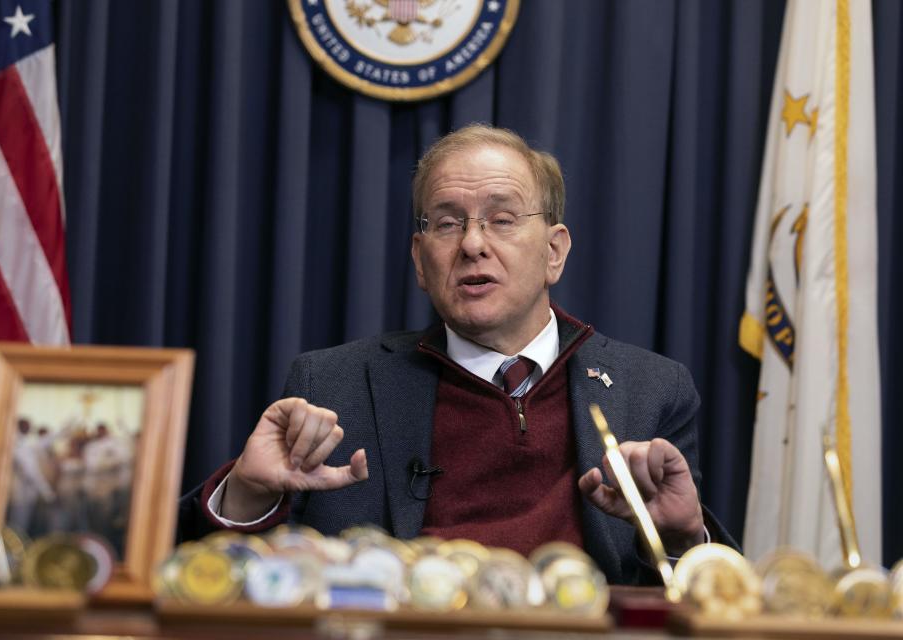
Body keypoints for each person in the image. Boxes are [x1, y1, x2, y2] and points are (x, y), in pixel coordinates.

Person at [179, 124, 732, 584]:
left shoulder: (651, 389)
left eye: (502, 219)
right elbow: (210, 581)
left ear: (555, 252)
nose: (472, 243)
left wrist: (684, 539)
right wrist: (249, 494)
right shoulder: (332, 384)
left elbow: (700, 605)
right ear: (421, 261)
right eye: (447, 223)